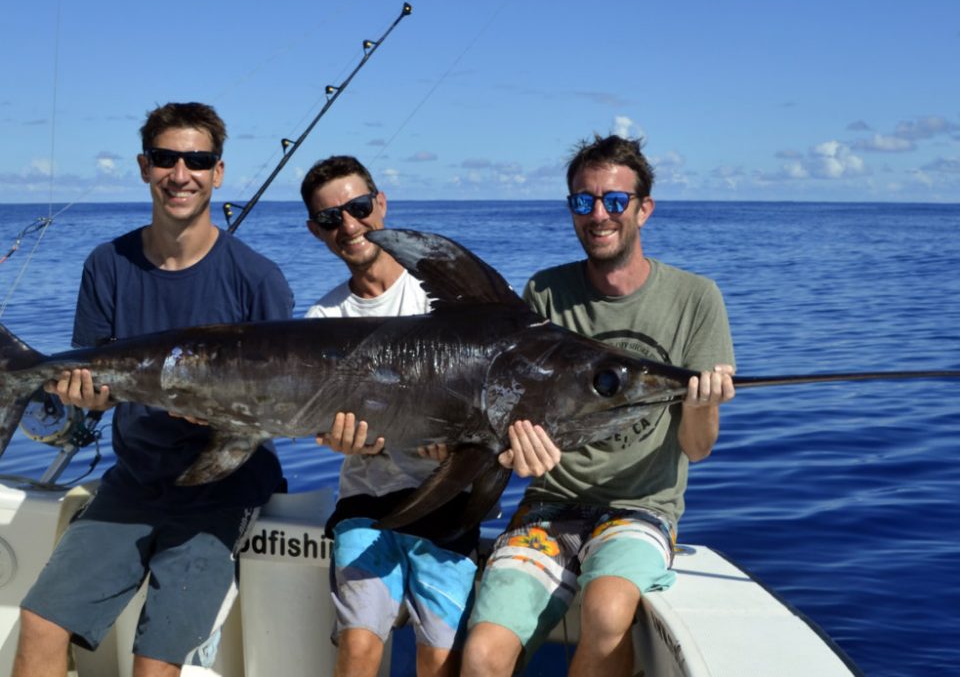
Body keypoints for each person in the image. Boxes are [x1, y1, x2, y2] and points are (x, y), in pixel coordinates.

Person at [13, 102, 294, 677]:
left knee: (155, 661)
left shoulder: (258, 279)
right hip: (133, 480)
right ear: (145, 167)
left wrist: (224, 418)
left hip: (223, 485)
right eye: (166, 158)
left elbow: (283, 400)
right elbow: (89, 375)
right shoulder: (107, 264)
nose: (180, 173)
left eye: (197, 160)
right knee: (39, 623)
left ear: (218, 172)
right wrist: (83, 396)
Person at [461, 134, 736, 677]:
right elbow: (510, 421)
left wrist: (703, 404)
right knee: (481, 653)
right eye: (584, 201)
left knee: (607, 613)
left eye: (615, 200)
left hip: (641, 508)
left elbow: (698, 449)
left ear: (643, 209)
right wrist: (517, 454)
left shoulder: (696, 298)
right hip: (547, 507)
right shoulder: (543, 292)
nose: (599, 214)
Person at [301, 155, 559, 677]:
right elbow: (320, 422)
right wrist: (340, 439)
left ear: (381, 202)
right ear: (316, 231)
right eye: (332, 218)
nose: (349, 225)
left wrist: (463, 444)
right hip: (366, 504)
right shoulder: (323, 321)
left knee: (439, 659)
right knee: (357, 650)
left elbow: (504, 410)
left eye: (358, 207)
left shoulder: (440, 298)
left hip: (448, 502)